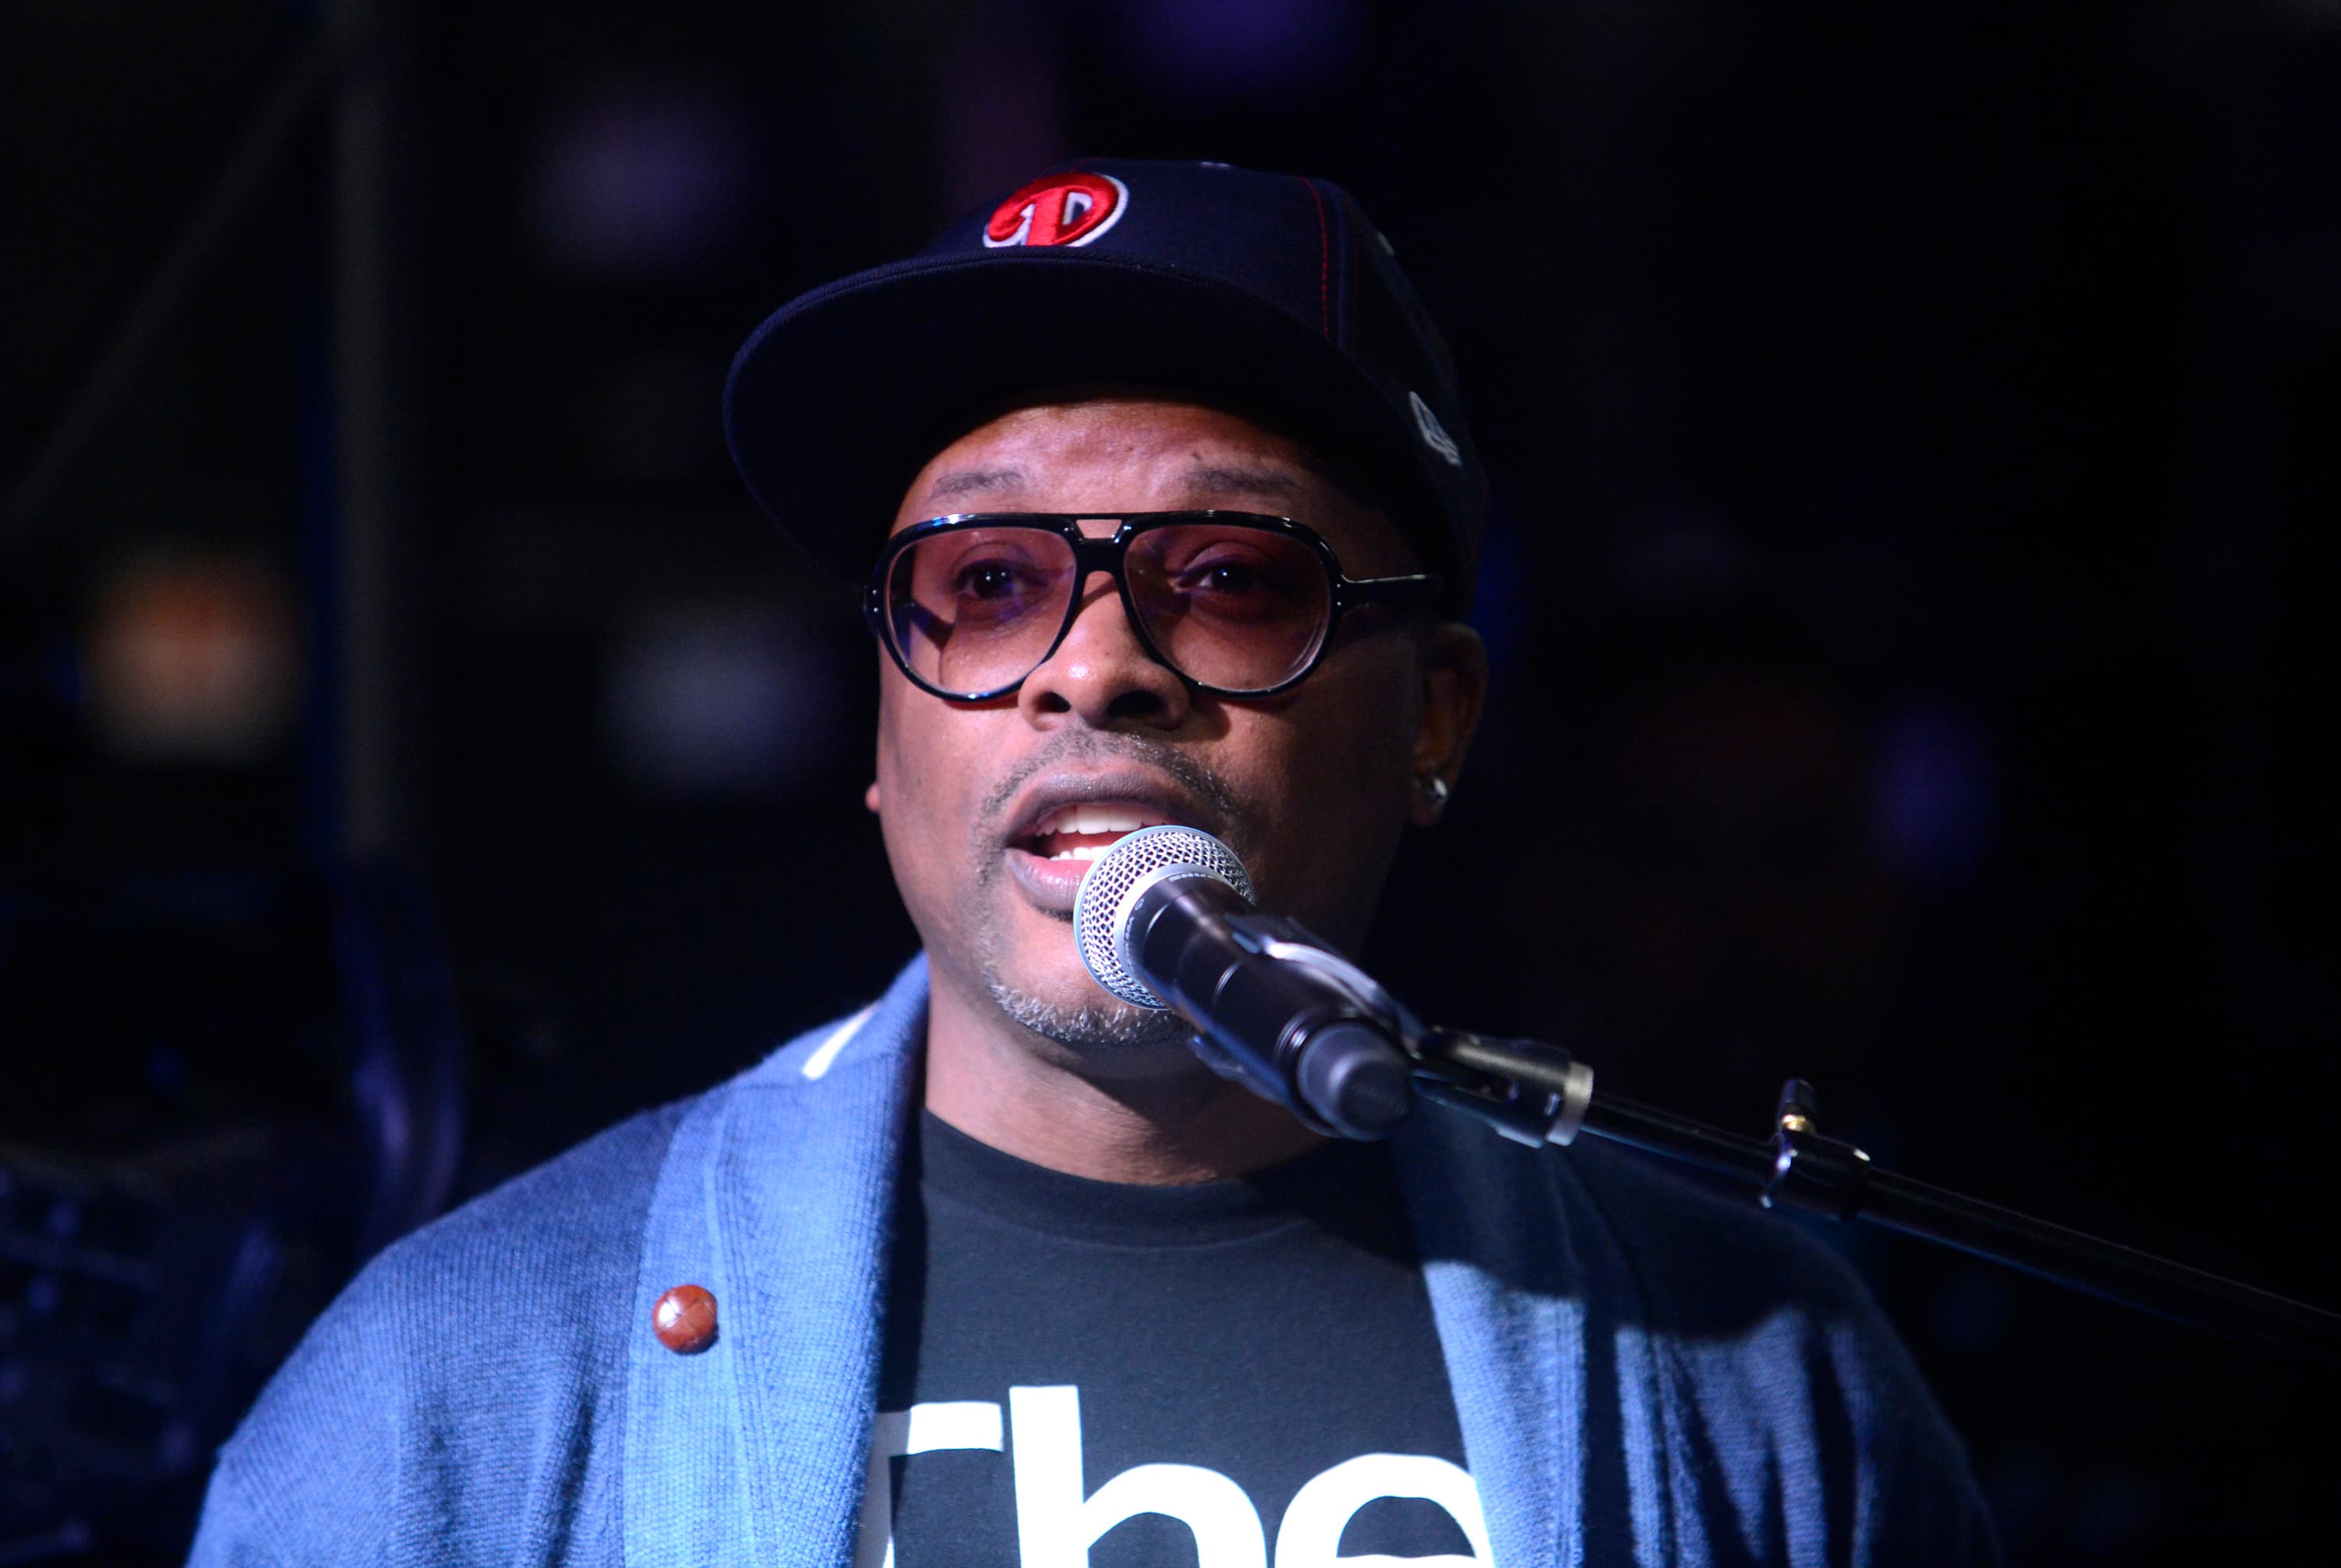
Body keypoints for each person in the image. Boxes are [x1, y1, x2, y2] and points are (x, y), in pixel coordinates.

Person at [187, 159, 1996, 1566]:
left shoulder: (1748, 1363)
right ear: (888, 742)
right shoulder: (474, 1373)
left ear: (1436, 719)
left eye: (1226, 579)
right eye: (983, 589)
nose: (1094, 661)